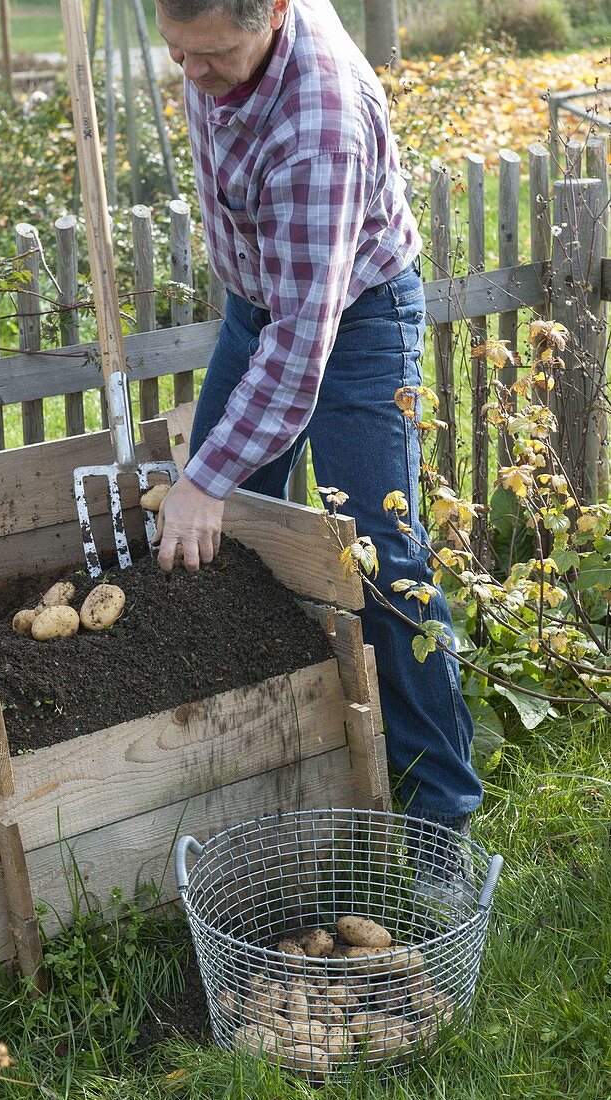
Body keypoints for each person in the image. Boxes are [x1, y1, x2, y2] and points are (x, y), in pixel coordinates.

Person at [153, 0, 483, 855]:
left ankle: (440, 813)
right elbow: (275, 328)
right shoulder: (222, 37)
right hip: (260, 297)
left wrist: (201, 478)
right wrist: (215, 489)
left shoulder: (321, 126)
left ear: (271, 13)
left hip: (359, 318)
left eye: (212, 56)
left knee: (380, 557)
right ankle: (268, 769)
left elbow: (302, 354)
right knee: (230, 541)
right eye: (176, 53)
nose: (191, 76)